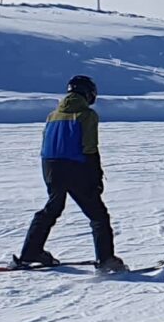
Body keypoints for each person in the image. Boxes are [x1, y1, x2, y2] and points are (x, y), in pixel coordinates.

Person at [18, 74, 127, 270]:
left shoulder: (53, 115)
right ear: (89, 94)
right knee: (98, 215)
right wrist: (96, 176)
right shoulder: (87, 115)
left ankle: (30, 252)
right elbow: (89, 148)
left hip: (50, 167)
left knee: (51, 209)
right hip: (76, 167)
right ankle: (106, 258)